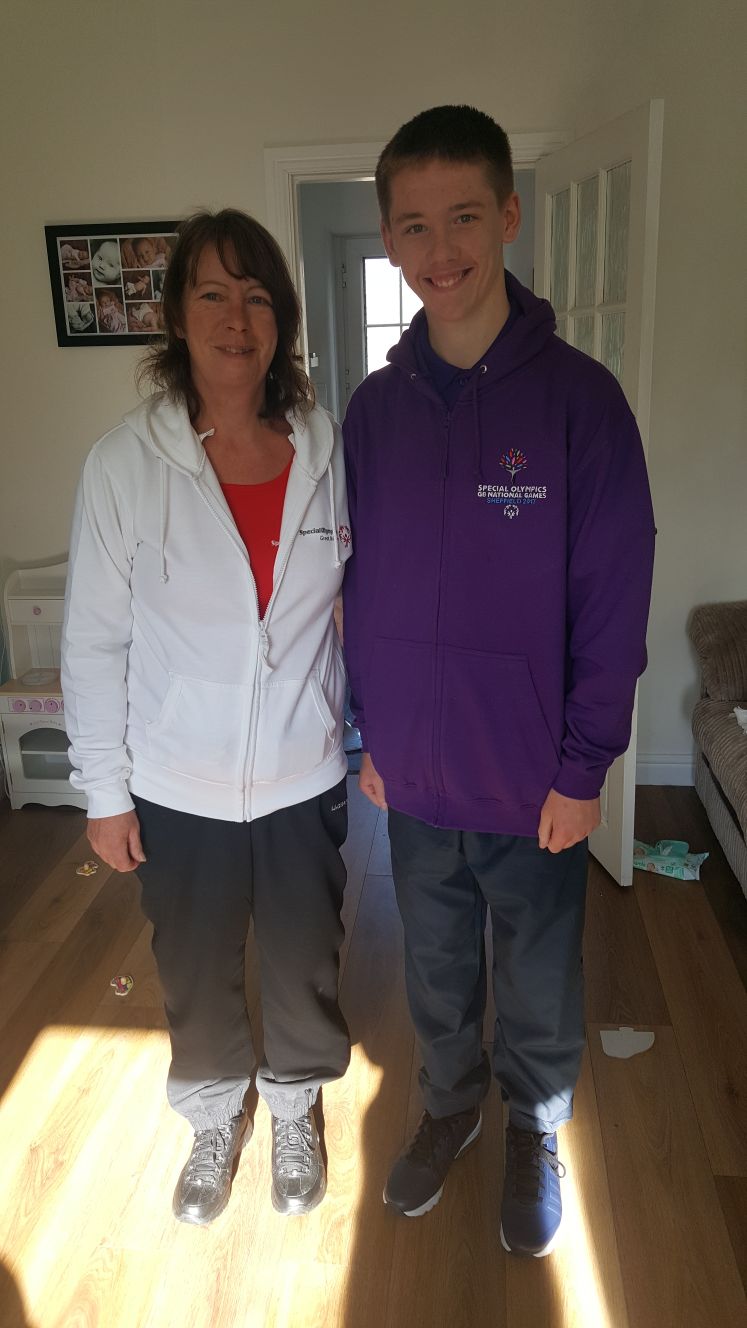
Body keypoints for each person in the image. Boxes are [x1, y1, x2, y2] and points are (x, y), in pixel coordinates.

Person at [342, 106, 655, 1258]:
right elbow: (353, 585)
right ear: (389, 240)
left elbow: (616, 600)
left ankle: (534, 1120)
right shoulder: (373, 415)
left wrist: (587, 765)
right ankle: (450, 1102)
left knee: (534, 967)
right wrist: (365, 732)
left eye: (464, 215)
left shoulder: (581, 404)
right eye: (414, 226)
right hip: (414, 774)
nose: (441, 248)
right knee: (431, 964)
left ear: (509, 216)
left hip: (534, 779)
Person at [62, 208, 352, 1226]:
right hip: (175, 780)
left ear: (281, 320)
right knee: (192, 964)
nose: (238, 317)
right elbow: (93, 639)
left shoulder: (322, 444)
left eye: (258, 295)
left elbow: (355, 602)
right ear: (177, 317)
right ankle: (212, 1112)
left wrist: (373, 732)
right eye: (214, 294)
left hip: (302, 771)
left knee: (304, 959)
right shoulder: (123, 466)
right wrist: (104, 791)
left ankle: (295, 1106)